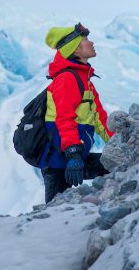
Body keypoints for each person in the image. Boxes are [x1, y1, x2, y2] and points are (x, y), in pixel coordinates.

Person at [40, 23, 114, 203]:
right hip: (58, 161)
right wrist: (73, 154)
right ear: (76, 50)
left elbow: (99, 118)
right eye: (86, 40)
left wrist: (116, 142)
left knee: (114, 165)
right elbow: (64, 119)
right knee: (55, 211)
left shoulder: (84, 79)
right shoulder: (67, 79)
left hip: (76, 156)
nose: (91, 42)